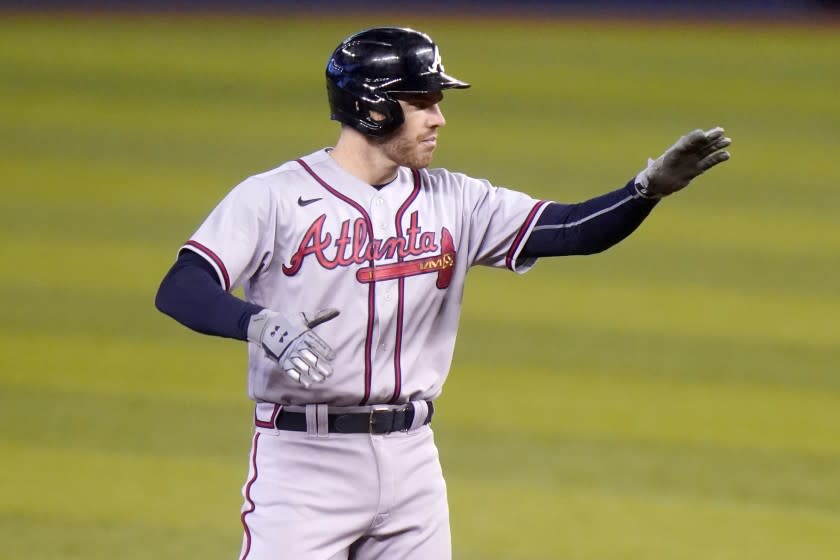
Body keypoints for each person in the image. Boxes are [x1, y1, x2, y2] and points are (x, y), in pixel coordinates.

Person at [155, 26, 731, 560]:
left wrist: (643, 192)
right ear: (373, 107)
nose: (438, 119)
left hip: (412, 463)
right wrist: (255, 323)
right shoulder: (274, 197)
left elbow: (571, 230)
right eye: (423, 103)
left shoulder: (456, 199)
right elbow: (183, 284)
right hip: (304, 462)